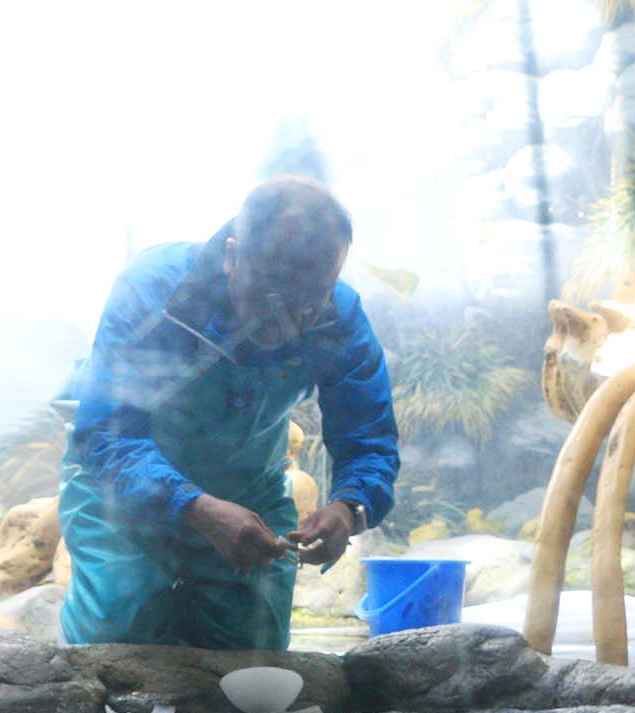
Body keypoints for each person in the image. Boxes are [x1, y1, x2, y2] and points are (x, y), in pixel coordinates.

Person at [58, 177, 399, 649]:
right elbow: (107, 436)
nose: (290, 322)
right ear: (232, 255)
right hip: (120, 491)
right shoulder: (155, 290)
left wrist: (349, 507)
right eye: (271, 296)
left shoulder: (340, 318)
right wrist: (193, 506)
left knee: (251, 658)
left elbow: (370, 440)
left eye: (310, 300)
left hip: (249, 492)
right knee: (118, 632)